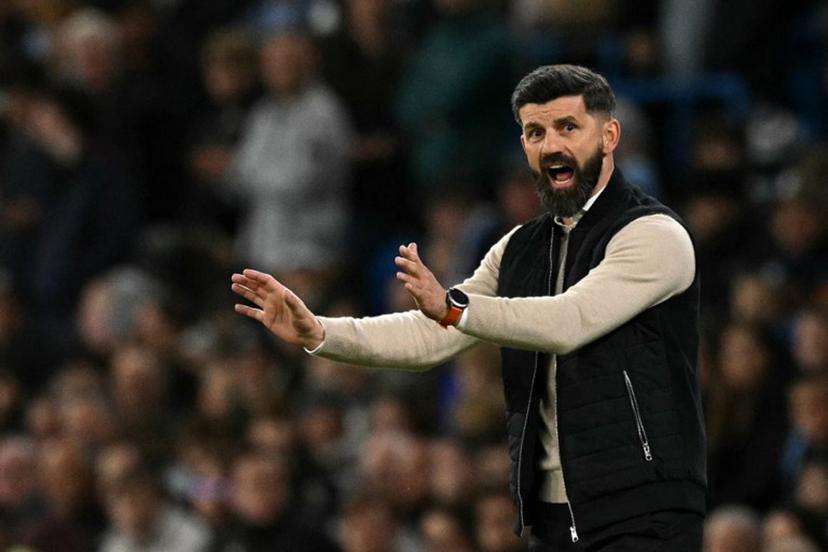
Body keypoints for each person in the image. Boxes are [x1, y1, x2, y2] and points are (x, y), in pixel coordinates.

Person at [231, 64, 706, 551]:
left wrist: (456, 310)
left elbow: (571, 320)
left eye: (568, 127)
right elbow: (433, 332)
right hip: (552, 519)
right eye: (535, 132)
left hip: (644, 511)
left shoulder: (654, 236)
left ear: (609, 136)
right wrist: (321, 333)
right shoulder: (519, 247)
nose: (551, 146)